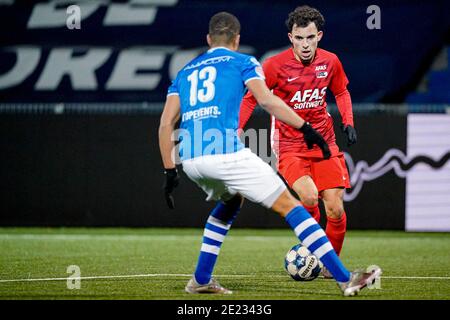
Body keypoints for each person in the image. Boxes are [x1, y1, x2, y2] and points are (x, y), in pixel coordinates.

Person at [159, 11, 380, 296]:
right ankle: (345, 278)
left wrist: (169, 170)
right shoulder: (244, 62)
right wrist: (305, 128)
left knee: (230, 203)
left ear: (208, 39)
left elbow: (166, 123)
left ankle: (201, 280)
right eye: (299, 37)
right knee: (295, 206)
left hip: (189, 158)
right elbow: (265, 99)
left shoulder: (186, 70)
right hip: (228, 153)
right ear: (237, 40)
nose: (304, 43)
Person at [239, 5, 356, 278]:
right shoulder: (274, 65)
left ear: (320, 36)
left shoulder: (331, 61)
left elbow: (342, 92)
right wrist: (237, 129)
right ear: (291, 37)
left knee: (336, 209)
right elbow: (250, 98)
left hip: (325, 143)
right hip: (289, 144)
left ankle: (329, 265)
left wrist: (348, 122)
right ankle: (312, 252)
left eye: (310, 38)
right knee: (308, 195)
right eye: (299, 38)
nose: (305, 44)